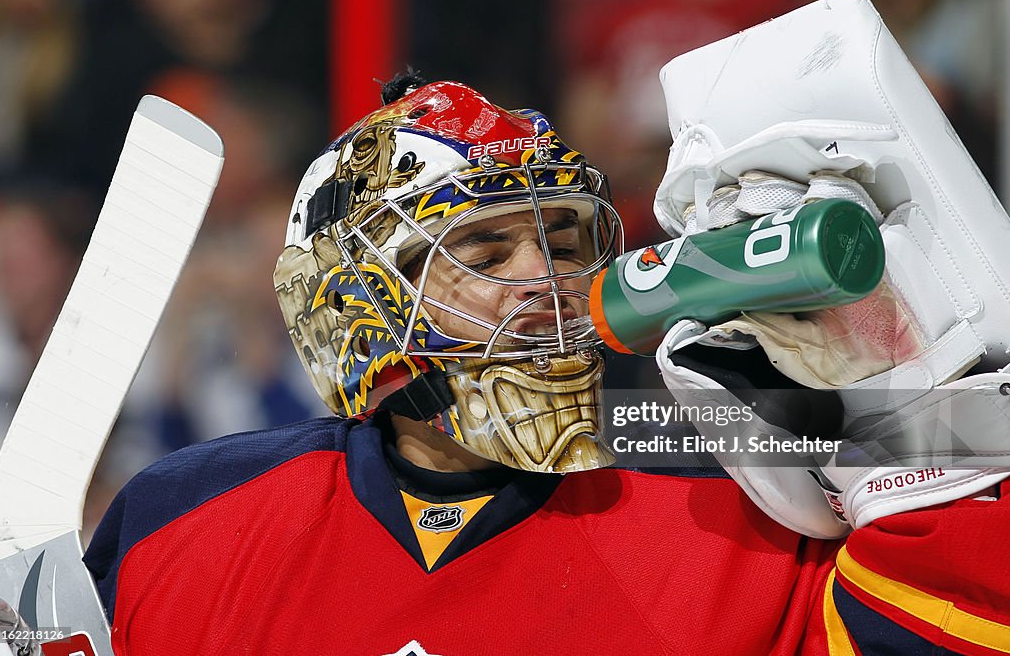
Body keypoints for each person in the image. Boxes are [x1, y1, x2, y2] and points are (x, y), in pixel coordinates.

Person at [84, 76, 1010, 654]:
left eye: (564, 242)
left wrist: (896, 410)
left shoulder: (739, 471)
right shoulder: (184, 519)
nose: (550, 282)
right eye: (485, 257)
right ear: (354, 309)